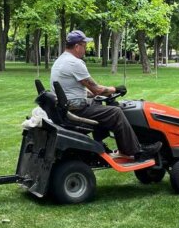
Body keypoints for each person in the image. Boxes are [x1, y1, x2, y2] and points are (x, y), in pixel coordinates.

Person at [51, 30, 161, 160]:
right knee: (116, 113)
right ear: (77, 46)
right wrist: (115, 89)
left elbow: (75, 88)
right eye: (84, 46)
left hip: (67, 108)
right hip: (77, 111)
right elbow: (97, 89)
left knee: (98, 104)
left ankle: (100, 144)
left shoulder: (60, 61)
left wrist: (95, 95)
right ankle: (136, 151)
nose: (85, 49)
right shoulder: (75, 63)